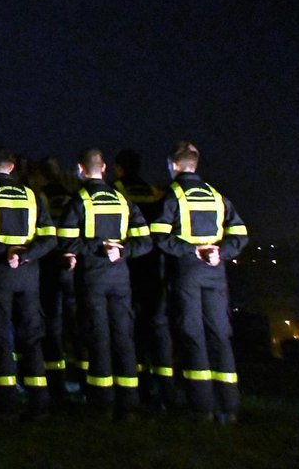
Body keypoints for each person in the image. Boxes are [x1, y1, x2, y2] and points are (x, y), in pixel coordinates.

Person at [151, 142, 248, 423]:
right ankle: (229, 407)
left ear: (173, 166)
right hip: (216, 271)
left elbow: (159, 235)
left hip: (187, 271)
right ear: (195, 164)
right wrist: (222, 252)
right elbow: (240, 233)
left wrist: (191, 250)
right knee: (220, 335)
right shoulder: (217, 196)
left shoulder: (174, 195)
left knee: (192, 335)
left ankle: (201, 406)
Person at [57, 148, 152, 417]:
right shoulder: (123, 200)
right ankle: (129, 403)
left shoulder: (79, 200)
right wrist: (122, 250)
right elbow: (145, 241)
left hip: (92, 278)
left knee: (98, 338)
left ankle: (102, 403)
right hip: (121, 277)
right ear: (105, 168)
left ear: (80, 169)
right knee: (123, 338)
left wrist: (97, 246)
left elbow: (65, 241)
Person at [0, 147, 57, 417]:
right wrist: (26, 254)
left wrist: (4, 252)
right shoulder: (32, 195)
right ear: (13, 167)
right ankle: (39, 400)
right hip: (28, 275)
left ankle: (6, 403)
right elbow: (50, 238)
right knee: (32, 336)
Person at [115, 148, 175, 407]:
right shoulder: (153, 191)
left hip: (127, 264)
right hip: (154, 265)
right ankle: (165, 389)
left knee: (130, 326)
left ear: (118, 168)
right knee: (157, 326)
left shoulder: (115, 189)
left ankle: (137, 386)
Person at [34, 157, 80, 397]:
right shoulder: (71, 196)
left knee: (52, 323)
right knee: (74, 324)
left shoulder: (39, 198)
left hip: (50, 265)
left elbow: (43, 233)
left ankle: (55, 378)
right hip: (70, 264)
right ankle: (81, 374)